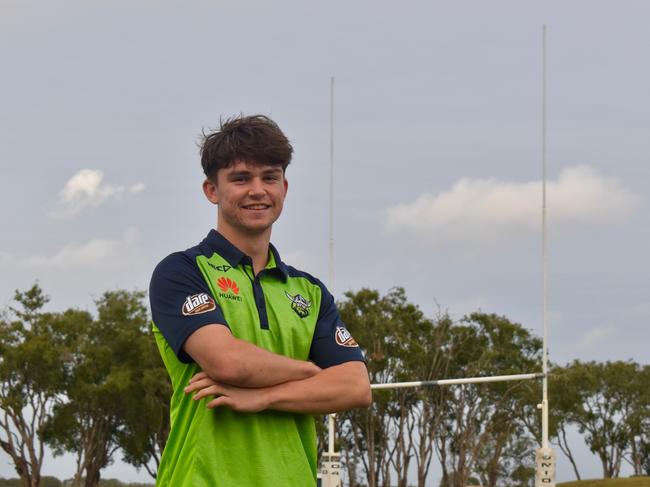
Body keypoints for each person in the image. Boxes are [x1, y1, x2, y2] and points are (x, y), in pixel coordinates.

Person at [149, 114, 372, 487]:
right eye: (240, 178)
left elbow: (355, 386)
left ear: (284, 187)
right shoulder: (181, 271)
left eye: (269, 177)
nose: (257, 190)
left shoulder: (309, 291)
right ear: (211, 190)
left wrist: (265, 397)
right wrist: (311, 372)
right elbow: (228, 363)